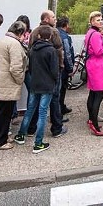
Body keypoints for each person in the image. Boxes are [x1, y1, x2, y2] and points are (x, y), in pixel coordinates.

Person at [15, 25, 60, 153]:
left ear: (39, 36)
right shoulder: (52, 51)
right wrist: (55, 81)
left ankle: (21, 135)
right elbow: (54, 71)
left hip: (35, 83)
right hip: (47, 85)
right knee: (42, 113)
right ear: (50, 37)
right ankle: (38, 143)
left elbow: (31, 67)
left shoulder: (32, 49)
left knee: (30, 110)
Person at [0, 20, 28, 149]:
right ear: (20, 32)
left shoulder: (3, 40)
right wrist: (20, 80)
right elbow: (16, 67)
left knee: (1, 112)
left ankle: (3, 136)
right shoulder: (14, 44)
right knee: (4, 114)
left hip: (0, 81)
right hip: (8, 83)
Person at [27, 10, 66, 139]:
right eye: (53, 17)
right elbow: (59, 50)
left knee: (36, 100)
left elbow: (30, 50)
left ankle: (31, 128)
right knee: (54, 98)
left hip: (37, 71)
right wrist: (61, 66)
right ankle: (56, 128)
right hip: (52, 69)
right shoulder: (54, 32)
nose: (55, 19)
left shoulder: (34, 31)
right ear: (46, 19)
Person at [84, 11, 103, 136]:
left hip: (92, 63)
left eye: (101, 19)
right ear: (91, 22)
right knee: (98, 95)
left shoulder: (90, 33)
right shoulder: (95, 35)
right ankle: (94, 124)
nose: (100, 21)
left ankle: (91, 119)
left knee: (93, 93)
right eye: (97, 20)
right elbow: (98, 51)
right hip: (96, 65)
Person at [56, 17, 75, 116]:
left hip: (57, 65)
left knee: (59, 89)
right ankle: (59, 111)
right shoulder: (64, 37)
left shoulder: (55, 33)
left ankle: (61, 107)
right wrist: (70, 68)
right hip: (63, 67)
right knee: (62, 89)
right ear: (66, 25)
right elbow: (67, 53)